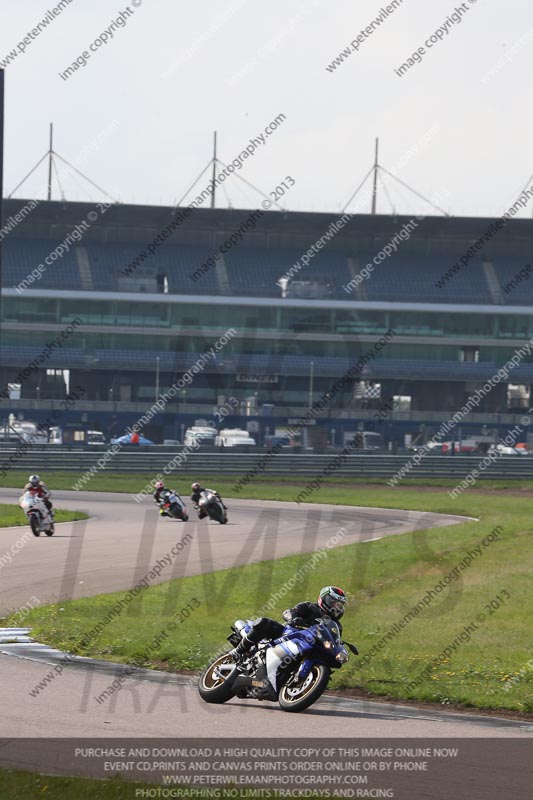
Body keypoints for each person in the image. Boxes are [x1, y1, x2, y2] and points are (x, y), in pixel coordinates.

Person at [228, 585, 347, 660]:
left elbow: (334, 639)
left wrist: (339, 646)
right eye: (333, 603)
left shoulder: (337, 626)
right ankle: (239, 651)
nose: (336, 608)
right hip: (288, 633)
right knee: (264, 622)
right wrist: (293, 619)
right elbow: (288, 612)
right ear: (323, 599)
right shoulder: (310, 607)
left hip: (309, 645)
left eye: (340, 606)